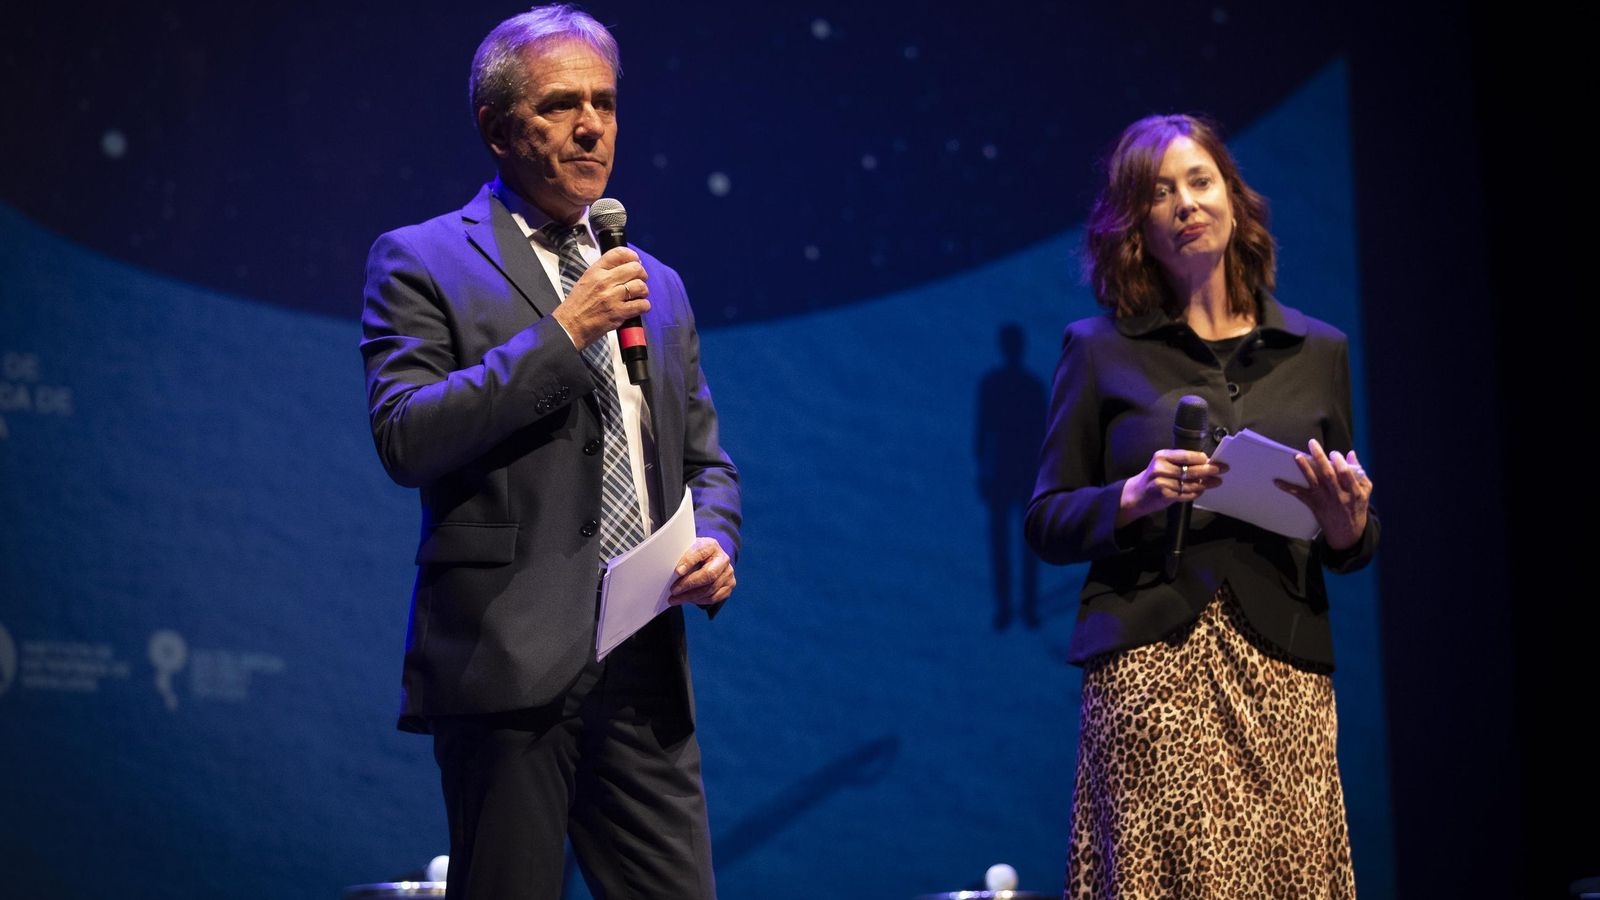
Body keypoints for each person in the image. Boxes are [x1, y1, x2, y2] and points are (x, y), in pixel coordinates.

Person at [359, 6, 740, 898]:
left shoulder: (656, 283)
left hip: (644, 661)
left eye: (604, 102)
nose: (591, 126)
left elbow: (703, 463)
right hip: (508, 657)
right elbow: (406, 435)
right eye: (561, 105)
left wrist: (715, 540)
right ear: (497, 129)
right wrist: (564, 335)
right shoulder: (421, 260)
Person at [1024, 114, 1378, 898]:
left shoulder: (1318, 351)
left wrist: (1348, 525)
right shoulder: (1098, 349)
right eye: (1160, 193)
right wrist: (1132, 496)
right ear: (1135, 229)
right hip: (1150, 668)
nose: (1185, 203)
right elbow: (1046, 519)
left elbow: (1351, 535)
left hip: (1284, 670)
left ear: (1233, 200)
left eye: (1200, 181)